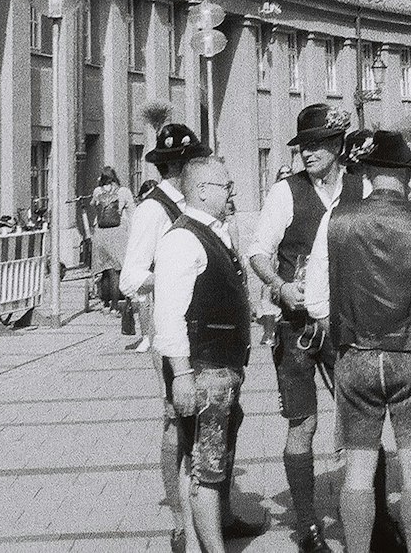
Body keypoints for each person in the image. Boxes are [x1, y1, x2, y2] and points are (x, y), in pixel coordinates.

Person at [306, 129, 411, 553]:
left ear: (368, 171)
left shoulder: (334, 219)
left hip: (356, 357)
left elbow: (316, 302)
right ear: (406, 172)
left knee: (357, 471)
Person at [250, 104, 360, 553]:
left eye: (315, 145)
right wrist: (277, 287)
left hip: (347, 322)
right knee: (303, 423)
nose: (306, 154)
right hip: (296, 327)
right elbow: (257, 251)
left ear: (337, 146)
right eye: (302, 147)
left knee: (358, 422)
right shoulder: (285, 192)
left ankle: (366, 515)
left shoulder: (361, 186)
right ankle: (308, 524)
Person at [153, 156, 258, 553]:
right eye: (225, 186)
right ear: (200, 191)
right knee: (207, 469)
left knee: (199, 461)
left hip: (221, 367)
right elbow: (169, 314)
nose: (232, 193)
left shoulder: (214, 232)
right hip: (203, 371)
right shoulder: (183, 237)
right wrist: (180, 374)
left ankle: (198, 545)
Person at [121, 122, 209, 551]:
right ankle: (179, 520)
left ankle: (214, 511)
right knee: (176, 419)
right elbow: (129, 277)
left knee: (211, 418)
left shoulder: (196, 204)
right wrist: (171, 276)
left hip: (204, 329)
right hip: (170, 329)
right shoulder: (153, 210)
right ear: (179, 166)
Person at [90, 166, 134, 312]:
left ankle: (106, 303)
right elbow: (131, 212)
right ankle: (115, 307)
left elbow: (93, 205)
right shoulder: (124, 191)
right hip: (118, 233)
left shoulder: (98, 191)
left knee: (105, 269)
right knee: (116, 270)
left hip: (101, 233)